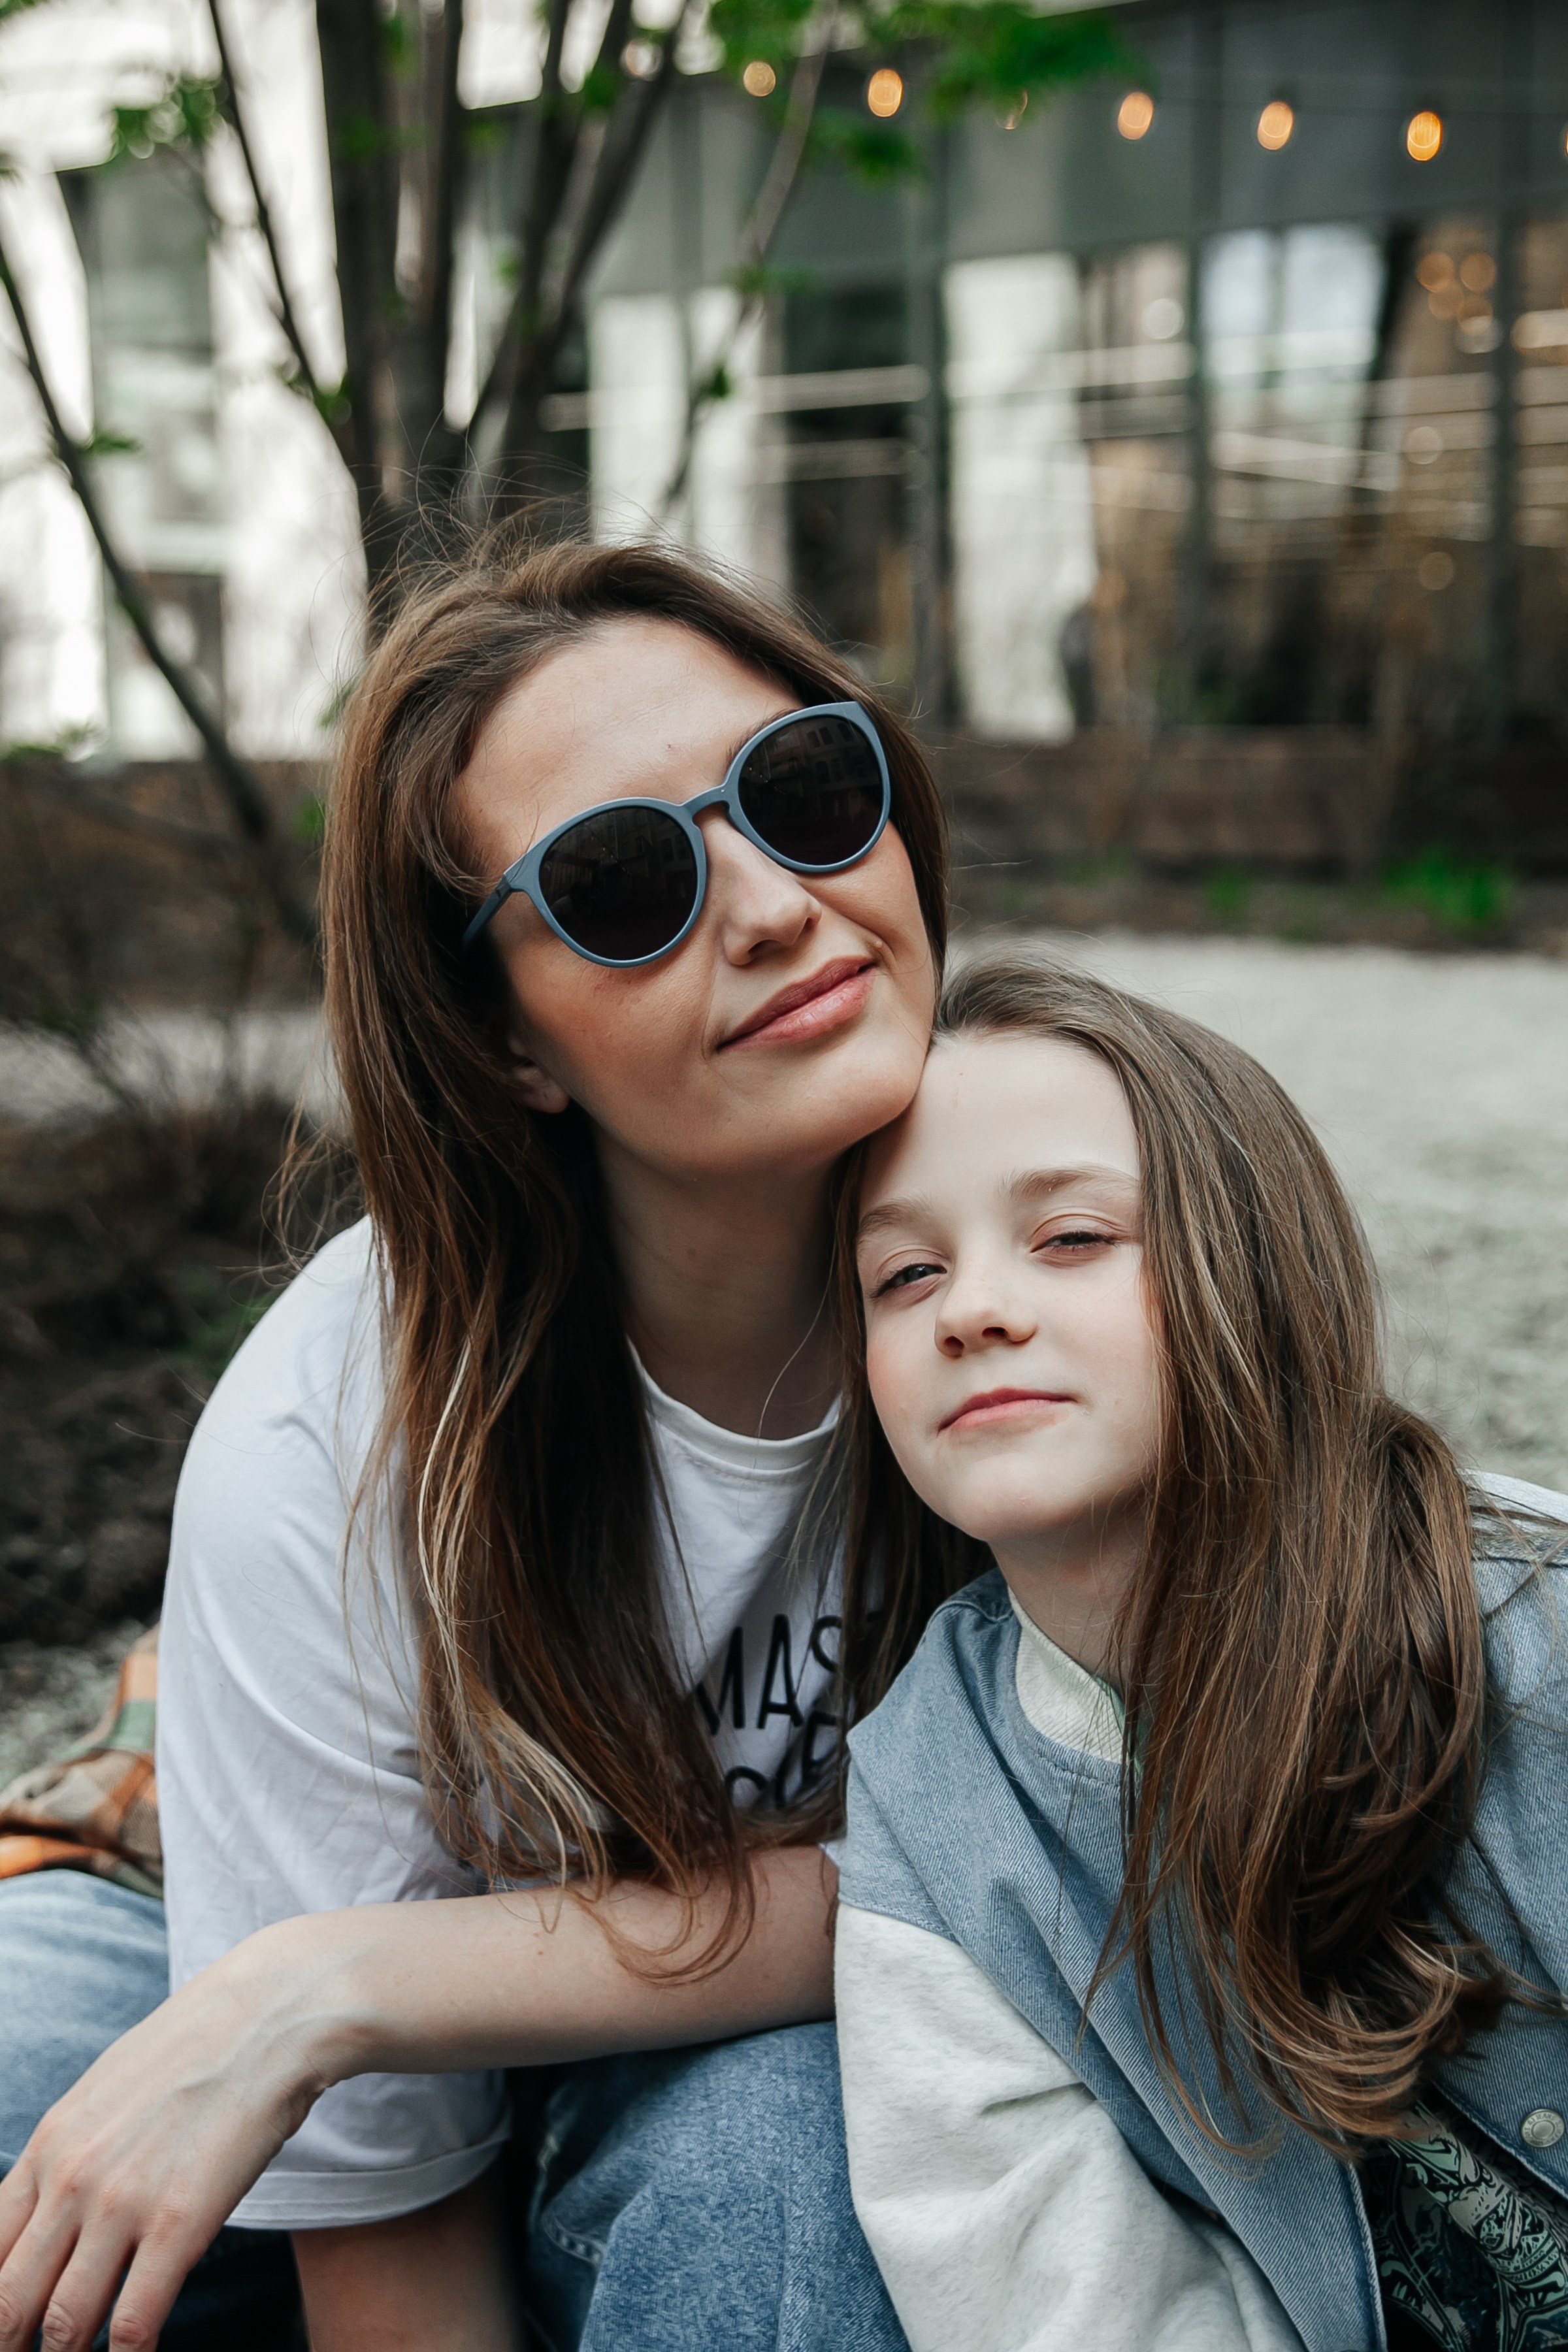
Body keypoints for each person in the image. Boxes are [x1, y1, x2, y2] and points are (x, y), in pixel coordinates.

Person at [0, 537, 973, 2352]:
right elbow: (392, 2245)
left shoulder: (1082, 1259)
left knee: (782, 2157)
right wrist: (296, 1988)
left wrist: (349, 1982)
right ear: (504, 1042)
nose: (774, 903)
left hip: (694, 2025)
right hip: (210, 1902)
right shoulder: (337, 1435)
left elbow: (1073, 1877)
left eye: (810, 790)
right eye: (624, 883)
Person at [834, 953, 1568, 2352]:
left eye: (1071, 1238)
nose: (969, 1308)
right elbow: (1060, 2300)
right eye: (904, 1270)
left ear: (1254, 1260)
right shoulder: (935, 1808)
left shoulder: (1530, 1630)